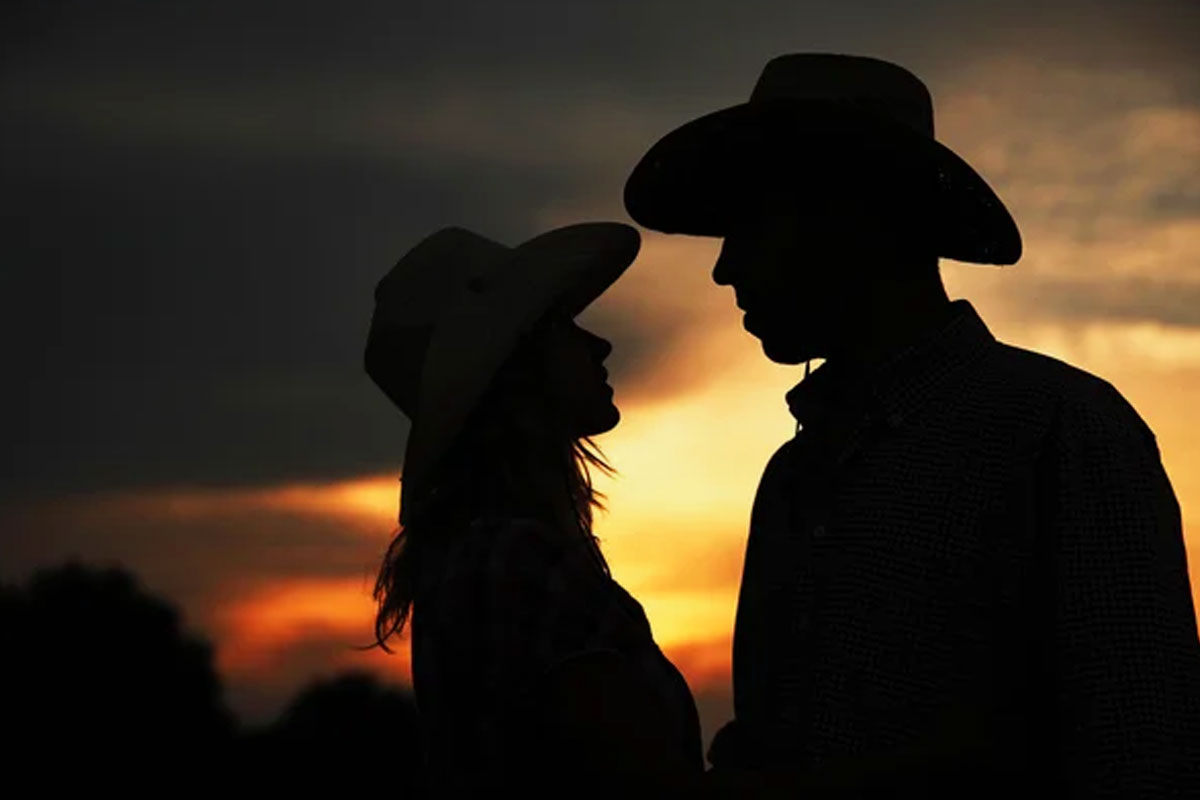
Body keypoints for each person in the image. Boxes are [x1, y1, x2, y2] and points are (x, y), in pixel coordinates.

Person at [624, 53, 1200, 797]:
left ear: (849, 216)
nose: (724, 267)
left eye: (751, 225)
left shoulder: (1062, 433)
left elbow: (1143, 751)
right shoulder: (795, 476)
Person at [362, 223, 703, 796]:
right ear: (514, 365)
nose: (599, 345)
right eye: (561, 327)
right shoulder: (514, 561)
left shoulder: (482, 555)